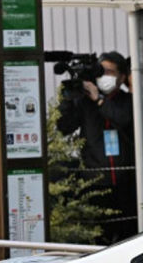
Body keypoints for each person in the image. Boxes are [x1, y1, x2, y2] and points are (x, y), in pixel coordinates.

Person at [55, 51, 137, 244]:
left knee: (128, 235)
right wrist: (68, 99)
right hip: (95, 182)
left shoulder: (128, 101)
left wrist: (99, 99)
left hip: (126, 181)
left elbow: (123, 119)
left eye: (109, 72)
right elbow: (63, 127)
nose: (104, 77)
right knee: (98, 236)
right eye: (101, 72)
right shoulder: (84, 102)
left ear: (122, 76)